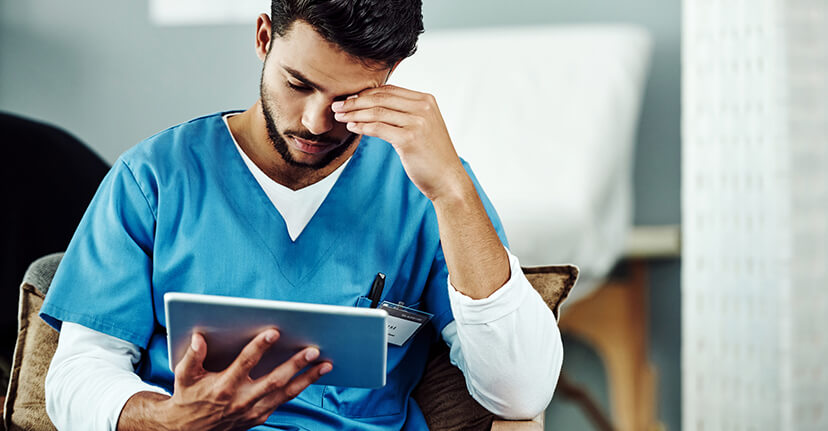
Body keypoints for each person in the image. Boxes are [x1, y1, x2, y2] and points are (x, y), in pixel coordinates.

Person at [40, 1, 563, 429]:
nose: (316, 122)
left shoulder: (425, 189)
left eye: (350, 97)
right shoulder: (155, 178)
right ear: (264, 38)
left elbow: (519, 394)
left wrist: (452, 191)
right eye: (299, 84)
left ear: (392, 76)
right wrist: (165, 420)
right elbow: (79, 371)